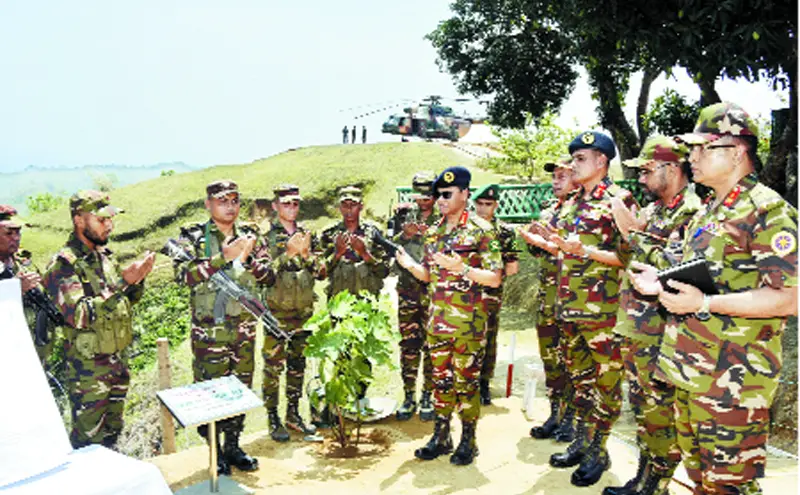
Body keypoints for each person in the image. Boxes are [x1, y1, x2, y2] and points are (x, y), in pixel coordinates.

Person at [628, 102, 798, 495]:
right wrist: (662, 282)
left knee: (729, 486)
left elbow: (789, 298)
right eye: (692, 148)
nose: (693, 157)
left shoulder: (767, 211)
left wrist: (704, 305)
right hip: (690, 371)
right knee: (702, 481)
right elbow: (708, 277)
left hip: (734, 383)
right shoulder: (710, 211)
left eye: (704, 147)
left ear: (737, 152)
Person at [604, 136, 701, 495]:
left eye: (647, 170)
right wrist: (630, 229)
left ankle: (656, 485)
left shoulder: (690, 212)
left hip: (663, 329)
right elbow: (630, 261)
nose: (642, 179)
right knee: (644, 409)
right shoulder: (658, 210)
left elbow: (674, 271)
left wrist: (630, 227)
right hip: (638, 325)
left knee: (660, 413)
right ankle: (645, 477)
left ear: (672, 168)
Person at [547, 131, 638, 487]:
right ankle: (584, 441)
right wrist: (556, 244)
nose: (573, 164)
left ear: (602, 161)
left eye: (581, 158)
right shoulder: (571, 203)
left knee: (606, 385)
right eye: (573, 158)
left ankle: (600, 450)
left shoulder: (620, 200)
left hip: (603, 313)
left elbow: (631, 257)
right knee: (580, 382)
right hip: (570, 310)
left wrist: (583, 251)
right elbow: (566, 252)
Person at [396, 165, 503, 466]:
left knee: (466, 384)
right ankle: (442, 436)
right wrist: (409, 265)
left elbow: (494, 278)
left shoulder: (482, 230)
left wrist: (463, 269)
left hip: (468, 324)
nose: (440, 200)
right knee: (441, 382)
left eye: (447, 194)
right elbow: (430, 276)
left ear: (465, 194)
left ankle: (469, 440)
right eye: (437, 195)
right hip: (437, 322)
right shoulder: (434, 232)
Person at [173, 180, 274, 474]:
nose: (230, 206)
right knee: (211, 393)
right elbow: (183, 277)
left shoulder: (252, 235)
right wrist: (222, 258)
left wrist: (250, 259)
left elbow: (268, 277)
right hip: (210, 335)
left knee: (240, 390)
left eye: (234, 200)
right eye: (222, 200)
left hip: (244, 331)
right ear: (208, 204)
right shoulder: (193, 237)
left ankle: (233, 445)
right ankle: (214, 451)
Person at [44, 190, 155, 449]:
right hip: (89, 373)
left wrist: (137, 280)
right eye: (101, 219)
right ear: (79, 220)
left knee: (113, 434)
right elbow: (79, 314)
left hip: (117, 363)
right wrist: (122, 282)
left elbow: (125, 302)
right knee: (88, 442)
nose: (109, 225)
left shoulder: (105, 257)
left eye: (110, 219)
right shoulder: (64, 265)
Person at [518, 155, 577, 442]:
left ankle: (572, 420)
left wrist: (548, 240)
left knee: (573, 362)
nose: (556, 181)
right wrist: (535, 240)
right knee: (551, 360)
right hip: (548, 299)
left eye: (562, 175)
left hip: (575, 300)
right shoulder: (548, 210)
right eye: (553, 177)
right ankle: (556, 413)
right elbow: (539, 253)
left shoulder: (584, 210)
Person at [318, 186, 390, 402]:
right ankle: (340, 400)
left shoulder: (374, 233)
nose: (349, 210)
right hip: (339, 304)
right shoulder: (329, 234)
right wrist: (337, 253)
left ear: (361, 207)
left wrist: (364, 254)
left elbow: (384, 270)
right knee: (339, 352)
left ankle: (360, 398)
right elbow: (321, 272)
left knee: (363, 353)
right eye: (345, 205)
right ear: (339, 207)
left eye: (353, 205)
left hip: (365, 304)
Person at [262, 184, 321, 442]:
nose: (292, 208)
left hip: (303, 314)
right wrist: (287, 254)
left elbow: (321, 271)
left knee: (298, 366)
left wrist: (306, 254)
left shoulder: (308, 234)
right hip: (277, 316)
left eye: (295, 203)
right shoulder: (265, 238)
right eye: (286, 203)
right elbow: (263, 274)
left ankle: (293, 414)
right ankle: (273, 416)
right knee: (273, 369)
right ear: (275, 206)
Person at [392, 171, 440, 422]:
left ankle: (427, 396)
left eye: (427, 195)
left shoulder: (444, 216)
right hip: (408, 290)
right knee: (409, 344)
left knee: (432, 345)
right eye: (419, 195)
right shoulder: (403, 216)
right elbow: (392, 247)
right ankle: (409, 394)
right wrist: (407, 235)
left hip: (433, 292)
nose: (424, 201)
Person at [472, 184, 519, 405]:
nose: (483, 209)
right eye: (479, 204)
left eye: (488, 204)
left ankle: (483, 383)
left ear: (496, 206)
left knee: (489, 338)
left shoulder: (506, 232)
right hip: (466, 294)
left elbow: (513, 267)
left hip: (491, 294)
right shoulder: (466, 229)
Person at [0, 205, 56, 365]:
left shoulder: (22, 263)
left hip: (35, 352)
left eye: (18, 232)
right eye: (8, 233)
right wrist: (14, 291)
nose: (16, 237)